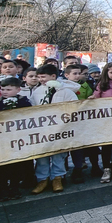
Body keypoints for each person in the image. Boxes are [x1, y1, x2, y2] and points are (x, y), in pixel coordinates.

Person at [30, 64, 81, 195]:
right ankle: (42, 179)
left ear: (53, 76)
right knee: (42, 155)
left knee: (59, 154)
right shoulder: (37, 91)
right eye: (39, 77)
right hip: (42, 130)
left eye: (43, 77)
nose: (41, 80)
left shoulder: (66, 92)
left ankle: (57, 178)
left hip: (60, 129)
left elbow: (75, 108)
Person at [0, 77, 32, 200]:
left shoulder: (24, 102)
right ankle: (3, 187)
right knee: (2, 166)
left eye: (9, 89)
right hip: (2, 139)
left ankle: (15, 187)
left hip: (18, 139)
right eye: (3, 89)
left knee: (17, 165)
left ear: (18, 89)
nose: (5, 92)